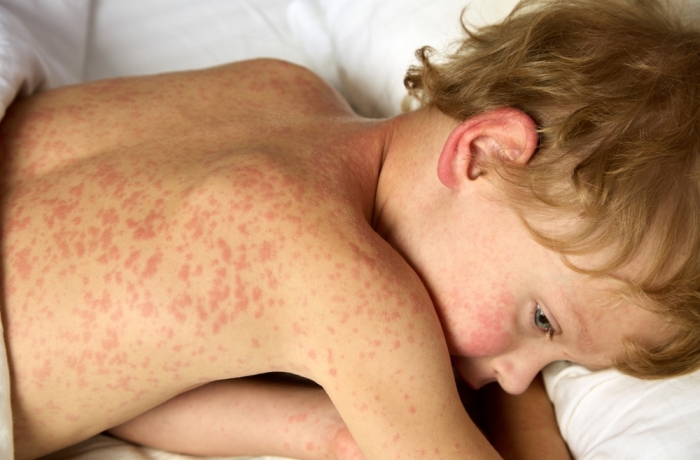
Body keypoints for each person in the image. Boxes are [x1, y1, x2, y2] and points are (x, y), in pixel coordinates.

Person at [3, 0, 699, 459]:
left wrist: (322, 434)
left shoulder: (282, 87)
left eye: (554, 366)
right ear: (483, 153)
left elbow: (124, 376)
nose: (518, 380)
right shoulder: (348, 289)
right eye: (543, 321)